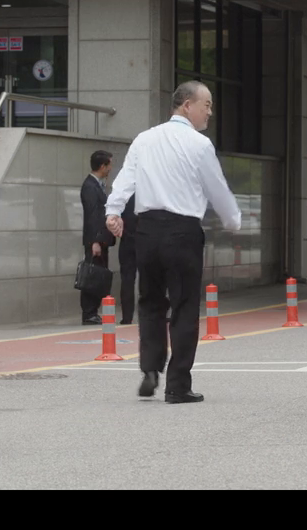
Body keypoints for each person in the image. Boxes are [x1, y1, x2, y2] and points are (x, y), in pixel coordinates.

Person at [105, 81, 241, 404]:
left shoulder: (144, 139)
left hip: (147, 230)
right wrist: (233, 220)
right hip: (183, 231)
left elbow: (126, 178)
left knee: (150, 301)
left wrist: (113, 211)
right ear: (187, 106)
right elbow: (217, 188)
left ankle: (150, 369)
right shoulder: (200, 145)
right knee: (184, 305)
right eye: (206, 105)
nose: (210, 112)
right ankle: (178, 385)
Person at [80, 150, 115, 325]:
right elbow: (92, 216)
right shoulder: (90, 186)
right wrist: (94, 241)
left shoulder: (97, 185)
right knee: (92, 275)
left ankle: (92, 311)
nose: (110, 168)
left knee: (98, 275)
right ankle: (89, 313)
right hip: (95, 240)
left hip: (101, 239)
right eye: (109, 165)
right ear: (102, 166)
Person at [116, 195, 138, 325]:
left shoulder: (124, 196)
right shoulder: (147, 195)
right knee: (150, 278)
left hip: (127, 241)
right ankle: (151, 313)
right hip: (144, 241)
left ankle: (127, 316)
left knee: (127, 280)